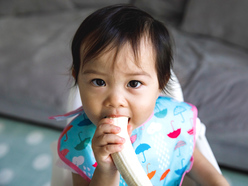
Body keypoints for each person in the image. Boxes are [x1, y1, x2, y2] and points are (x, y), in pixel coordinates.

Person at [54, 4, 229, 186]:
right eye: (99, 82)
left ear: (161, 84)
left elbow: (206, 172)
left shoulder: (171, 120)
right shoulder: (79, 145)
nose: (115, 100)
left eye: (133, 83)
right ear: (77, 78)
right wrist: (105, 169)